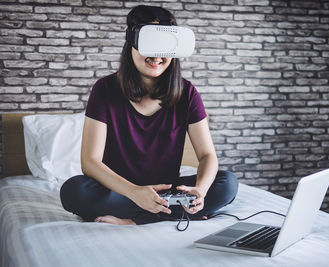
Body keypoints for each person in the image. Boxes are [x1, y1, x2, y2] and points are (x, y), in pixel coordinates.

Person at [60, 5, 238, 226]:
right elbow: (90, 162)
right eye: (150, 45)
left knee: (227, 183)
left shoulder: (187, 93)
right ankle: (169, 214)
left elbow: (207, 156)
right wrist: (134, 192)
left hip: (166, 191)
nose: (156, 56)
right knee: (74, 191)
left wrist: (200, 191)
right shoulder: (104, 89)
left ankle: (135, 220)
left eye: (164, 47)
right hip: (121, 191)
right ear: (131, 43)